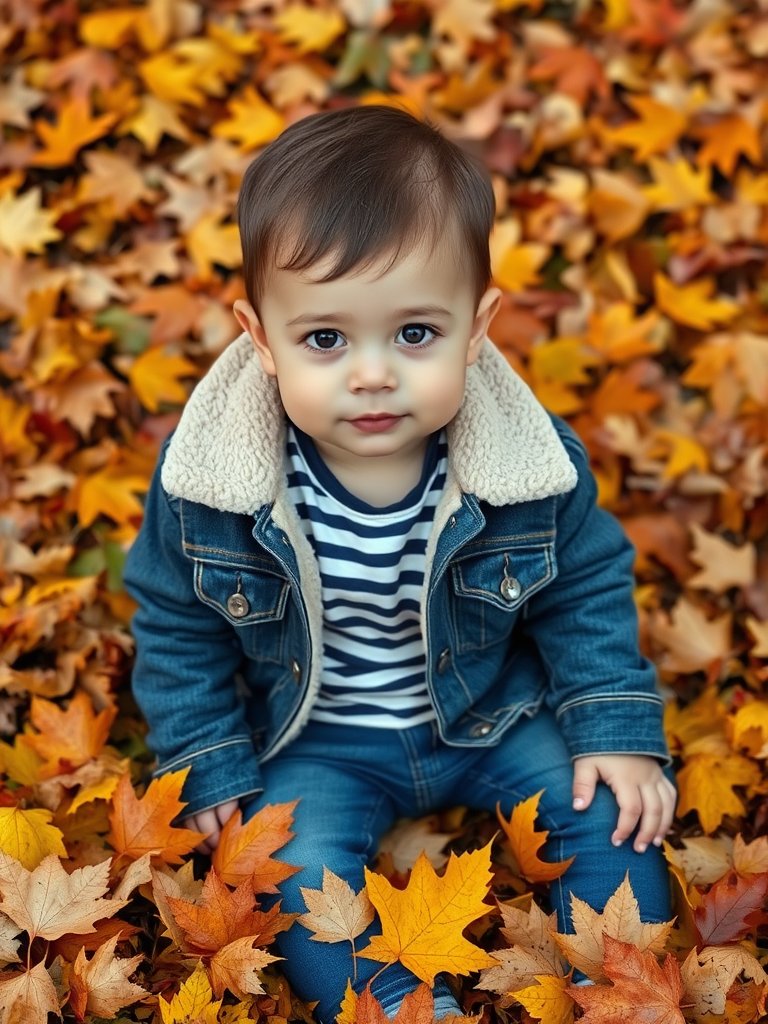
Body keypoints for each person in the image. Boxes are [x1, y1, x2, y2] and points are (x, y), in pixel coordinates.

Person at [123, 104, 677, 1022]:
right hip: (319, 742)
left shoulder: (527, 463)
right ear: (260, 336)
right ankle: (402, 1009)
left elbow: (584, 584)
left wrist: (612, 723)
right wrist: (208, 757)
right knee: (289, 879)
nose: (371, 373)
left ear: (478, 325)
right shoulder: (213, 484)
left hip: (493, 712)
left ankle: (615, 991)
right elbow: (173, 619)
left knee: (614, 815)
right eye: (326, 339)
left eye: (415, 333)